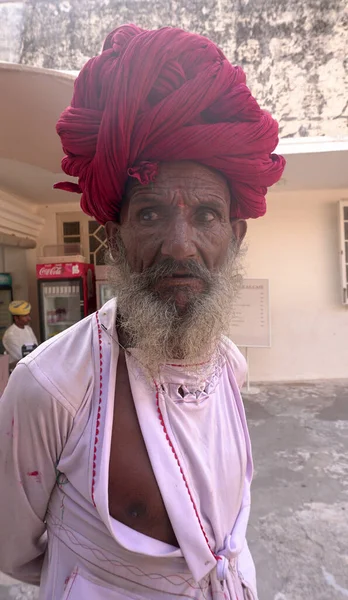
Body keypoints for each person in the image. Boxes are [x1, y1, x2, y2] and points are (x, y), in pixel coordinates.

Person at [0, 25, 285, 600]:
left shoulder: (230, 366)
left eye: (205, 216)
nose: (180, 245)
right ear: (115, 236)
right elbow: (16, 548)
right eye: (151, 214)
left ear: (234, 234)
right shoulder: (50, 389)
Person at [2, 300, 38, 366]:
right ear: (16, 318)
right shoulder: (10, 334)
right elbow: (20, 355)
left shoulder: (28, 329)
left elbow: (36, 347)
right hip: (17, 369)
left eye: (28, 315)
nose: (29, 318)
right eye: (25, 316)